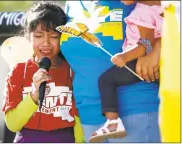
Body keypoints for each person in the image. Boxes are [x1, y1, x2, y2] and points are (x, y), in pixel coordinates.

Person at [60, 0, 161, 142]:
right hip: (88, 118)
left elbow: (171, 22)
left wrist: (159, 47)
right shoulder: (72, 4)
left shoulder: (135, 2)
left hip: (136, 110)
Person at [2, 2, 84, 143]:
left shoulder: (73, 70)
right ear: (29, 37)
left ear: (63, 37)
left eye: (53, 36)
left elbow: (78, 118)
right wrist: (33, 95)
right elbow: (12, 124)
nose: (46, 43)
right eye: (39, 36)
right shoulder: (18, 71)